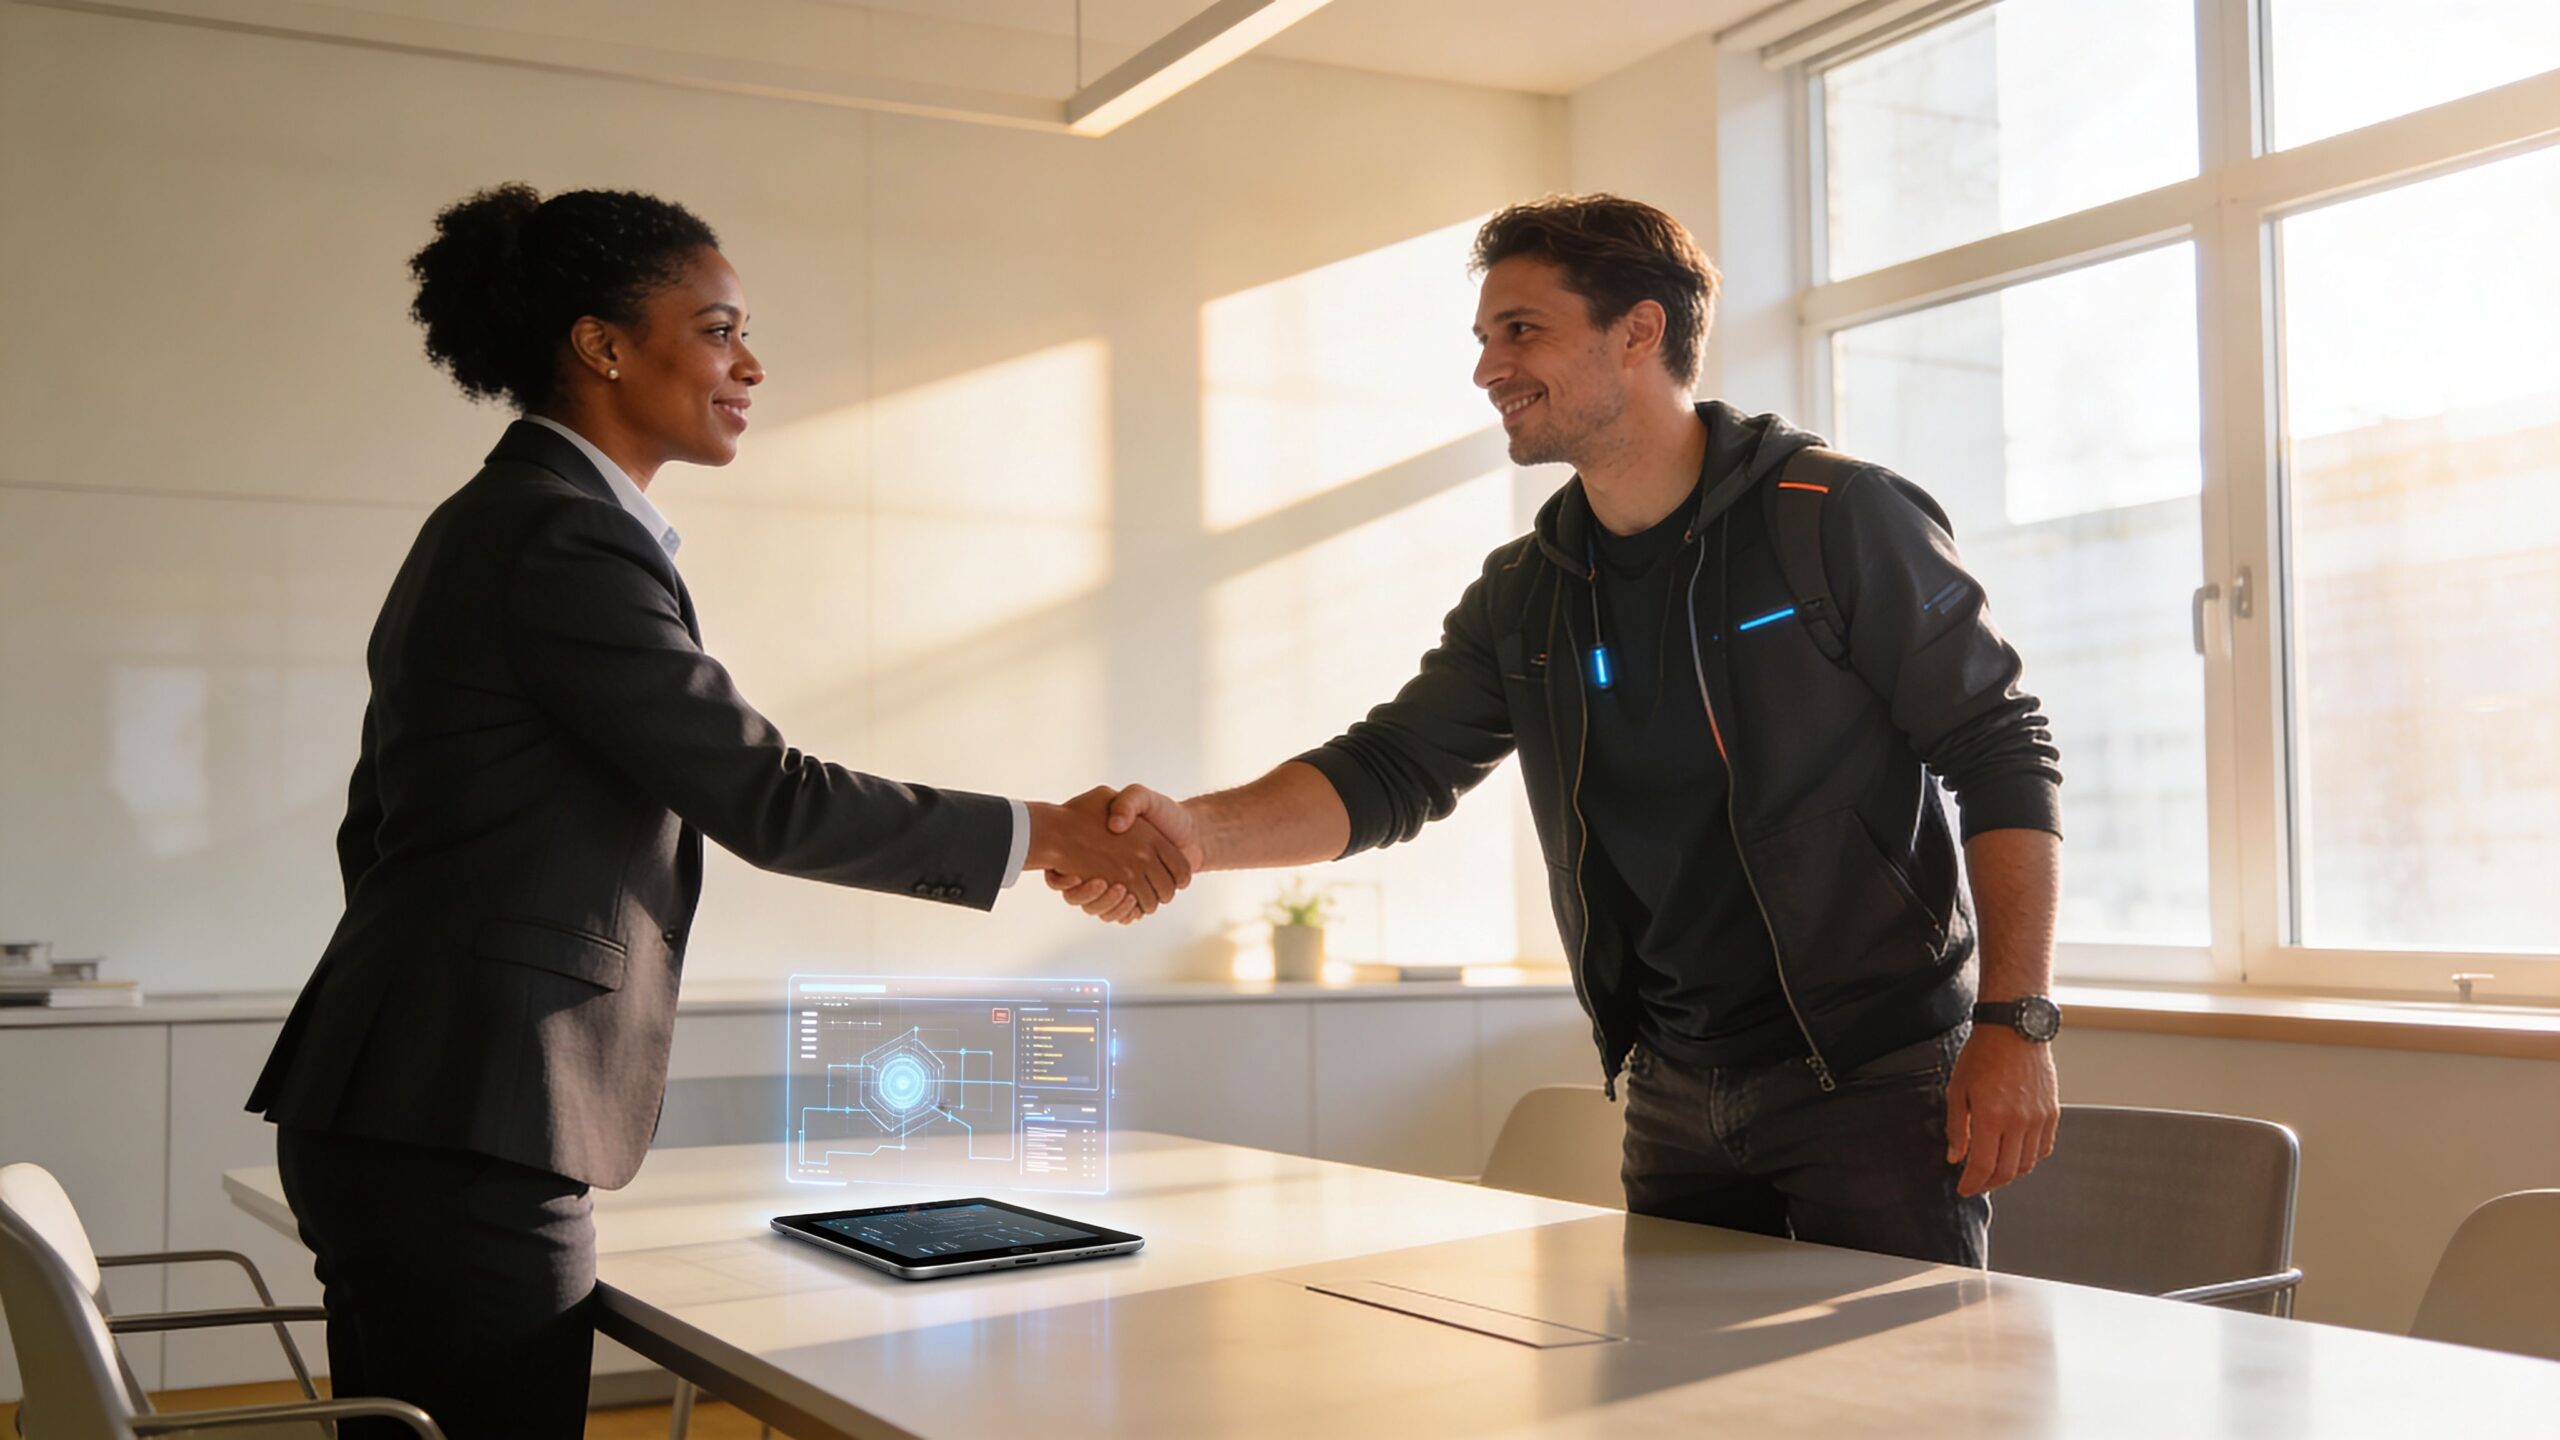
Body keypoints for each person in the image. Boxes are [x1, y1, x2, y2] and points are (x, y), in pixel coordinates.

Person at [244, 184, 1190, 1439]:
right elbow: (765, 794)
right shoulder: (560, 537)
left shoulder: (508, 523)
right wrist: (1047, 832)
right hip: (466, 1117)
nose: (751, 363)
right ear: (603, 345)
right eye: (718, 328)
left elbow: (379, 830)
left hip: (418, 1103)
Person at [1056, 194, 2065, 1267]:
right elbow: (1391, 768)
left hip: (1872, 1075)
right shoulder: (1527, 592)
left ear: (1637, 332)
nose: (1488, 368)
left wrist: (2015, 1022)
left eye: (1521, 330)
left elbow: (2001, 754)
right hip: (1673, 1087)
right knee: (1680, 1409)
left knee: (1900, 1407)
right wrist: (1192, 832)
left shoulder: (1834, 515)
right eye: (1486, 338)